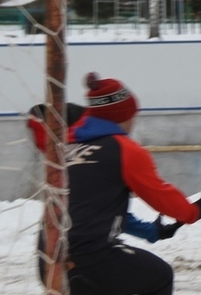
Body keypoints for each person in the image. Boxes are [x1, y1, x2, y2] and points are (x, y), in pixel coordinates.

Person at [11, 74, 201, 295]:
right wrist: (190, 213)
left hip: (49, 261)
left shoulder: (66, 150)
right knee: (160, 276)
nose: (133, 123)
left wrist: (153, 231)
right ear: (123, 116)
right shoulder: (123, 150)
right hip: (87, 260)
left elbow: (98, 210)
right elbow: (161, 195)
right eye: (132, 116)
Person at [26, 103, 184, 244]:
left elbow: (107, 210)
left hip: (53, 245)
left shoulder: (78, 152)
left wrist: (151, 231)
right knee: (159, 274)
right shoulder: (89, 151)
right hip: (77, 248)